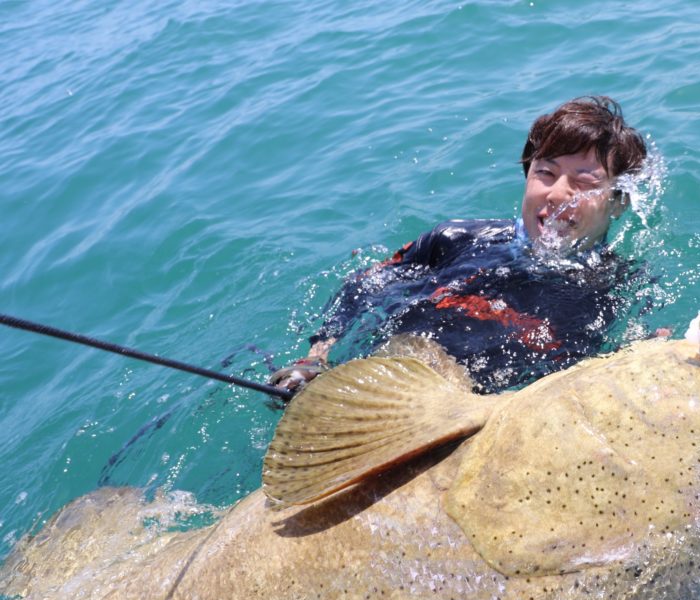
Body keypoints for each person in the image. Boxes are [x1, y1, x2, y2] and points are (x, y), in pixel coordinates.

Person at [272, 96, 652, 395]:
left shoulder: (614, 294)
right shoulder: (453, 240)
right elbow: (363, 286)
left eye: (584, 182)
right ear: (527, 175)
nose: (556, 194)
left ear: (619, 200)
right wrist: (316, 358)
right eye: (546, 173)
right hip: (364, 391)